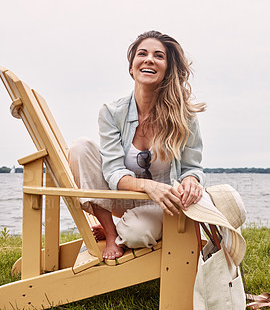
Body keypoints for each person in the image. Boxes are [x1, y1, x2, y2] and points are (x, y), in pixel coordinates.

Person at [68, 30, 206, 260]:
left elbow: (193, 167)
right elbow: (112, 170)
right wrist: (146, 186)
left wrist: (191, 180)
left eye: (158, 56)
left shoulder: (185, 115)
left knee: (135, 234)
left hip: (163, 205)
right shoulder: (111, 112)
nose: (149, 59)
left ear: (167, 69)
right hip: (122, 196)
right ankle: (112, 235)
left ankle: (124, 229)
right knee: (80, 146)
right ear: (132, 67)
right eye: (142, 54)